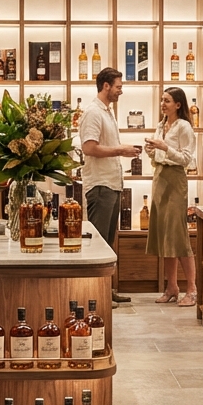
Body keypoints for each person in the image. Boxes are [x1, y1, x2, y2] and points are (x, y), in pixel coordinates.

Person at [79, 67, 140, 304]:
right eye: (118, 86)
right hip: (101, 186)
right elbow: (89, 148)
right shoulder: (93, 112)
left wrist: (122, 149)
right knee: (98, 242)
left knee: (108, 242)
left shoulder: (107, 112)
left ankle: (105, 290)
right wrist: (121, 150)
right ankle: (95, 295)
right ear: (106, 86)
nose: (120, 91)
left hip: (112, 184)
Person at [145, 87, 197, 306]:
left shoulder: (184, 127)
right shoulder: (160, 125)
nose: (163, 104)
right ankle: (172, 287)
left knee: (178, 235)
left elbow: (186, 159)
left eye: (167, 101)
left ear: (178, 104)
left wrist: (165, 147)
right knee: (164, 235)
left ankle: (192, 289)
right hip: (159, 177)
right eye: (162, 100)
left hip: (175, 179)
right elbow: (159, 154)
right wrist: (152, 150)